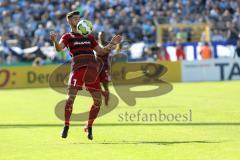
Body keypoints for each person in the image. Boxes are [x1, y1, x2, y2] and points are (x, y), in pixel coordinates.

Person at [50, 11, 122, 140]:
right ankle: (66, 125)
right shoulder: (68, 36)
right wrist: (55, 41)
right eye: (75, 19)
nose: (78, 20)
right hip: (77, 70)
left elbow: (101, 51)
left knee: (97, 102)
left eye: (79, 18)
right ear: (69, 21)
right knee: (70, 99)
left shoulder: (89, 37)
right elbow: (59, 48)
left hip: (92, 72)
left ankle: (89, 126)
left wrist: (112, 43)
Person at [97, 32, 112, 106]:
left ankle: (106, 103)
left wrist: (109, 69)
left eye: (102, 35)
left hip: (104, 68)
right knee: (95, 86)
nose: (101, 37)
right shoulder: (96, 44)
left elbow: (105, 55)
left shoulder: (107, 45)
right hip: (96, 69)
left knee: (105, 86)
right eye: (100, 35)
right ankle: (102, 97)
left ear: (104, 36)